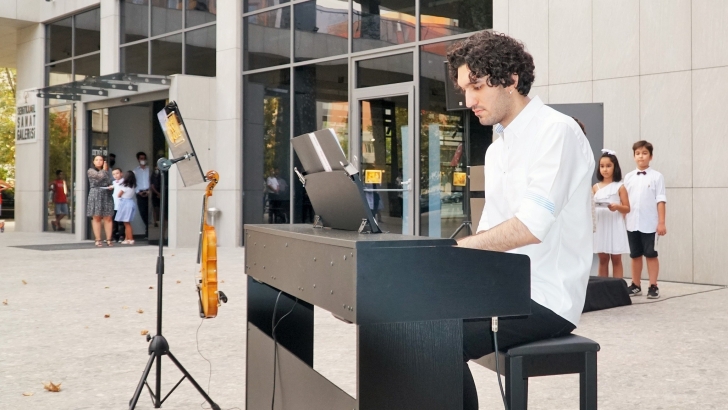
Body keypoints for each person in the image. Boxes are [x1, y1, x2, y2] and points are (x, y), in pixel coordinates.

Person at [447, 30, 595, 410]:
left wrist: (453, 249)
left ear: (511, 79)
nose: (468, 101)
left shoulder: (557, 131)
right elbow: (489, 234)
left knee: (438, 335)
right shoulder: (497, 150)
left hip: (546, 298)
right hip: (505, 288)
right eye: (464, 90)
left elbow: (530, 227)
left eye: (477, 86)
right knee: (411, 316)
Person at [624, 140, 667, 299]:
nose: (641, 156)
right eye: (637, 153)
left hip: (650, 223)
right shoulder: (628, 177)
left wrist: (661, 222)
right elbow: (625, 201)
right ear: (634, 156)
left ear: (651, 156)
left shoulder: (657, 177)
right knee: (635, 254)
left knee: (650, 254)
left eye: (644, 153)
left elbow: (660, 200)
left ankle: (653, 285)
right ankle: (636, 285)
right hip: (631, 222)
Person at [593, 149, 630, 278]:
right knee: (603, 259)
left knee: (616, 259)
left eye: (608, 166)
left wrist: (617, 207)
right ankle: (602, 287)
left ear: (615, 167)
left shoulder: (620, 186)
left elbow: (627, 208)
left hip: (615, 224)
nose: (605, 169)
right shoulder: (595, 187)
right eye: (602, 166)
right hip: (601, 224)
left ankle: (617, 287)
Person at [87, 155, 115, 247]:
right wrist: (104, 170)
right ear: (93, 162)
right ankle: (98, 239)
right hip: (95, 194)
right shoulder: (91, 171)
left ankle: (109, 239)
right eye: (97, 160)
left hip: (106, 194)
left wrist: (111, 186)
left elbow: (110, 181)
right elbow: (98, 177)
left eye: (101, 160)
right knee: (96, 217)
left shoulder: (108, 171)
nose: (99, 161)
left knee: (108, 217)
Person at [115, 171, 138, 245]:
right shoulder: (133, 185)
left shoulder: (125, 186)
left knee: (126, 223)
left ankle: (130, 239)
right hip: (130, 202)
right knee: (127, 222)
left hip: (125, 203)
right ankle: (127, 238)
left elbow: (119, 195)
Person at [133, 151, 151, 238]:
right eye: (141, 158)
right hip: (140, 193)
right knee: (142, 212)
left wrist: (149, 191)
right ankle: (148, 228)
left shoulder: (149, 170)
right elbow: (133, 183)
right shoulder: (135, 171)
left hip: (149, 192)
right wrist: (138, 192)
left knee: (150, 213)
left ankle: (149, 231)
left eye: (144, 158)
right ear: (138, 159)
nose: (143, 160)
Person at [111, 168, 125, 242]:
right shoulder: (114, 182)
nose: (115, 175)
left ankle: (121, 236)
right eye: (114, 174)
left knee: (121, 222)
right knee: (114, 221)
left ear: (121, 173)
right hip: (114, 204)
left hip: (121, 204)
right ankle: (114, 236)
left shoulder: (124, 182)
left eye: (117, 173)